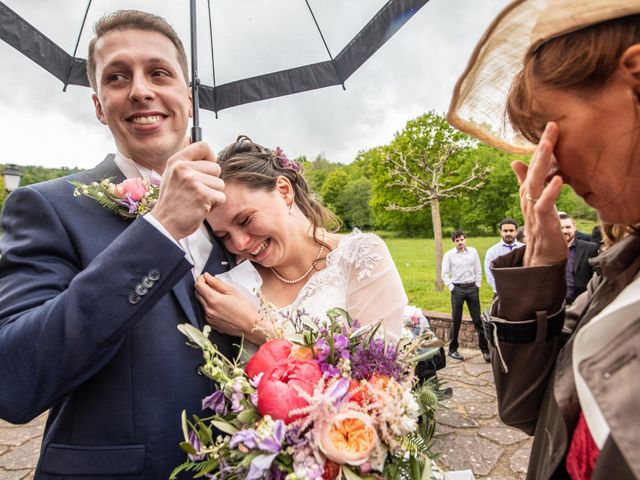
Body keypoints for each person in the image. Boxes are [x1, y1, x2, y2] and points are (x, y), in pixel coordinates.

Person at [0, 11, 238, 478]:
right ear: (97, 105)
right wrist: (160, 229)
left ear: (187, 98)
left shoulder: (233, 212)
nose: (141, 90)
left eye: (159, 73)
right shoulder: (45, 208)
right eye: (117, 76)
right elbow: (15, 380)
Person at [448, 1, 640, 478]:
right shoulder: (621, 267)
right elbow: (528, 410)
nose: (547, 168)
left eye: (550, 132)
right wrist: (541, 267)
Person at [194, 136, 407, 344]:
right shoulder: (235, 284)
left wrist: (255, 327)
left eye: (245, 219)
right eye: (224, 236)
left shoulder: (361, 256)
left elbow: (378, 371)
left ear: (284, 191)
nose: (240, 244)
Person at [440, 230, 490, 362]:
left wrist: (477, 285)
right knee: (456, 319)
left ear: (465, 239)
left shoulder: (473, 252)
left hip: (472, 288)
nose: (460, 242)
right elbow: (444, 274)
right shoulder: (449, 255)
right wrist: (452, 288)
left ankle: (485, 350)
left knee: (477, 320)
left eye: (462, 239)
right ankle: (452, 349)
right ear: (453, 242)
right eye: (457, 240)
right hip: (458, 290)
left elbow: (478, 270)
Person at [559, 213, 600, 304]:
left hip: (581, 303)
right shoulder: (547, 250)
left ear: (575, 227)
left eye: (568, 227)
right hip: (556, 306)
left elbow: (596, 277)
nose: (564, 231)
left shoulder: (590, 249)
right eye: (560, 228)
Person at [483, 218, 524, 295]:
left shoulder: (525, 249)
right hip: (501, 294)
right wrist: (503, 289)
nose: (508, 233)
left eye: (511, 230)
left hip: (522, 293)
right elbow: (489, 276)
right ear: (500, 232)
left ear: (516, 232)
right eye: (505, 231)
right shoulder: (492, 251)